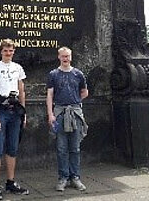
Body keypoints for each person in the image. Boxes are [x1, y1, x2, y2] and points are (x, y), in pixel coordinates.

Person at [0, 38, 29, 200]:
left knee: (12, 147)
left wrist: (23, 113)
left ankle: (10, 181)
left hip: (15, 110)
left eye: (11, 50)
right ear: (1, 51)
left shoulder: (18, 68)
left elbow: (22, 91)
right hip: (1, 110)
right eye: (5, 50)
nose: (8, 53)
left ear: (14, 51)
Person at [46, 47, 88, 192]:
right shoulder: (53, 74)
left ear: (71, 57)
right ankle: (63, 177)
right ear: (59, 57)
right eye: (63, 56)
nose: (65, 58)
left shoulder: (78, 74)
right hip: (59, 113)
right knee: (61, 148)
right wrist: (51, 114)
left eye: (68, 56)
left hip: (75, 113)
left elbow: (84, 92)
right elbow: (50, 95)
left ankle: (75, 177)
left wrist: (74, 102)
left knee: (75, 148)